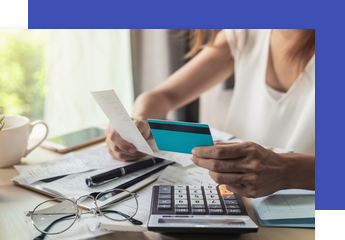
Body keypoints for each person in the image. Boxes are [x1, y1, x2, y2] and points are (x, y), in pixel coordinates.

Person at [105, 29, 315, 198]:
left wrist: (287, 170)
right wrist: (138, 123)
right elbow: (163, 95)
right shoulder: (245, 34)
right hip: (236, 198)